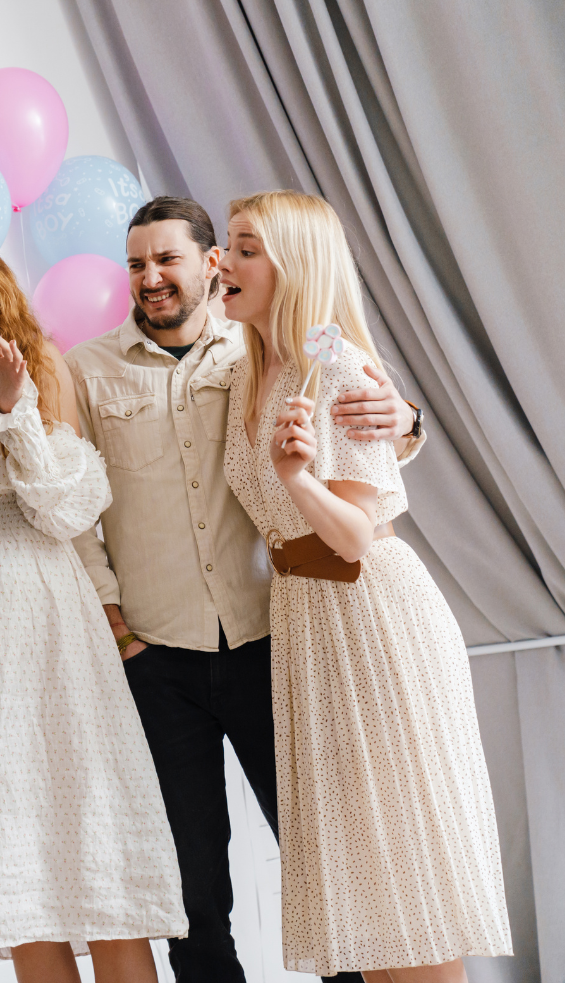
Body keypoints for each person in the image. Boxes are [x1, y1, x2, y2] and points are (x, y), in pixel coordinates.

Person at [65, 196, 424, 983]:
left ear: (209, 263)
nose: (151, 277)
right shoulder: (85, 370)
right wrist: (119, 629)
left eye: (169, 258)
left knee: (330, 867)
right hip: (158, 658)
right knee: (193, 893)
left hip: (276, 642)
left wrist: (406, 417)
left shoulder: (258, 346)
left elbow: (351, 412)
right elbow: (71, 512)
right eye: (136, 263)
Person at [0, 233, 187, 983]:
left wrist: (12, 412)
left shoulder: (39, 369)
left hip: (52, 626)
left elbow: (67, 509)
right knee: (15, 869)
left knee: (102, 854)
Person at [219, 190, 510, 980]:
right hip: (310, 622)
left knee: (404, 875)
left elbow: (350, 533)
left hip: (370, 615)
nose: (225, 260)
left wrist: (299, 478)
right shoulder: (255, 367)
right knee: (367, 893)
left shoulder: (338, 366)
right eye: (226, 243)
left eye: (246, 246)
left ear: (295, 262)